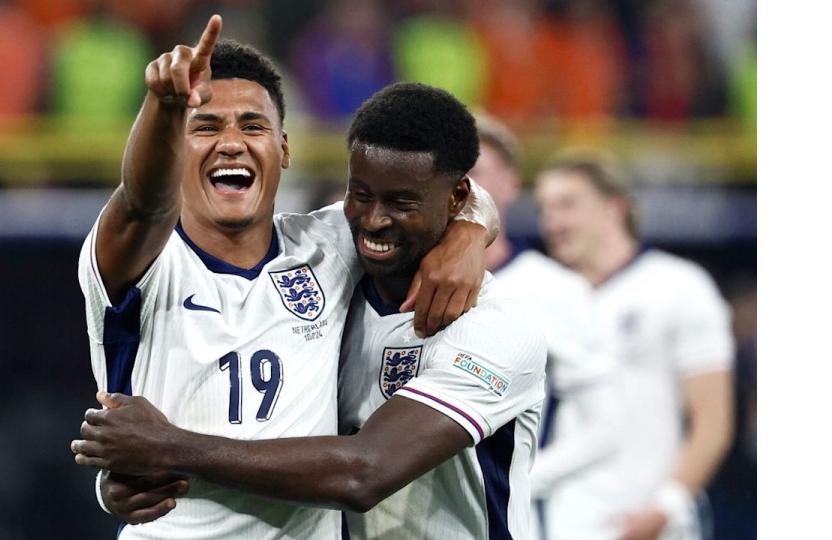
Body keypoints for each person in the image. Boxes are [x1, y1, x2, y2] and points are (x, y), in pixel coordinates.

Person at [76, 15, 497, 539]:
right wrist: (164, 108)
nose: (231, 143)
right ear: (175, 149)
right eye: (205, 127)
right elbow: (143, 202)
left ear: (284, 149)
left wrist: (471, 230)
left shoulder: (329, 243)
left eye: (252, 126)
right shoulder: (142, 263)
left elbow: (436, 196)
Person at [533, 150, 735, 540]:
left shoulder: (678, 285)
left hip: (653, 523)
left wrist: (665, 508)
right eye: (544, 209)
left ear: (615, 209)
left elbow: (713, 420)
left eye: (567, 205)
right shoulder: (540, 298)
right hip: (560, 523)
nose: (551, 222)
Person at [469, 115, 621, 540]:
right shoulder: (401, 281)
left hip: (506, 522)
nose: (463, 183)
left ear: (512, 185)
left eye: (478, 169)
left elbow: (605, 426)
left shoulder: (553, 289)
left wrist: (516, 482)